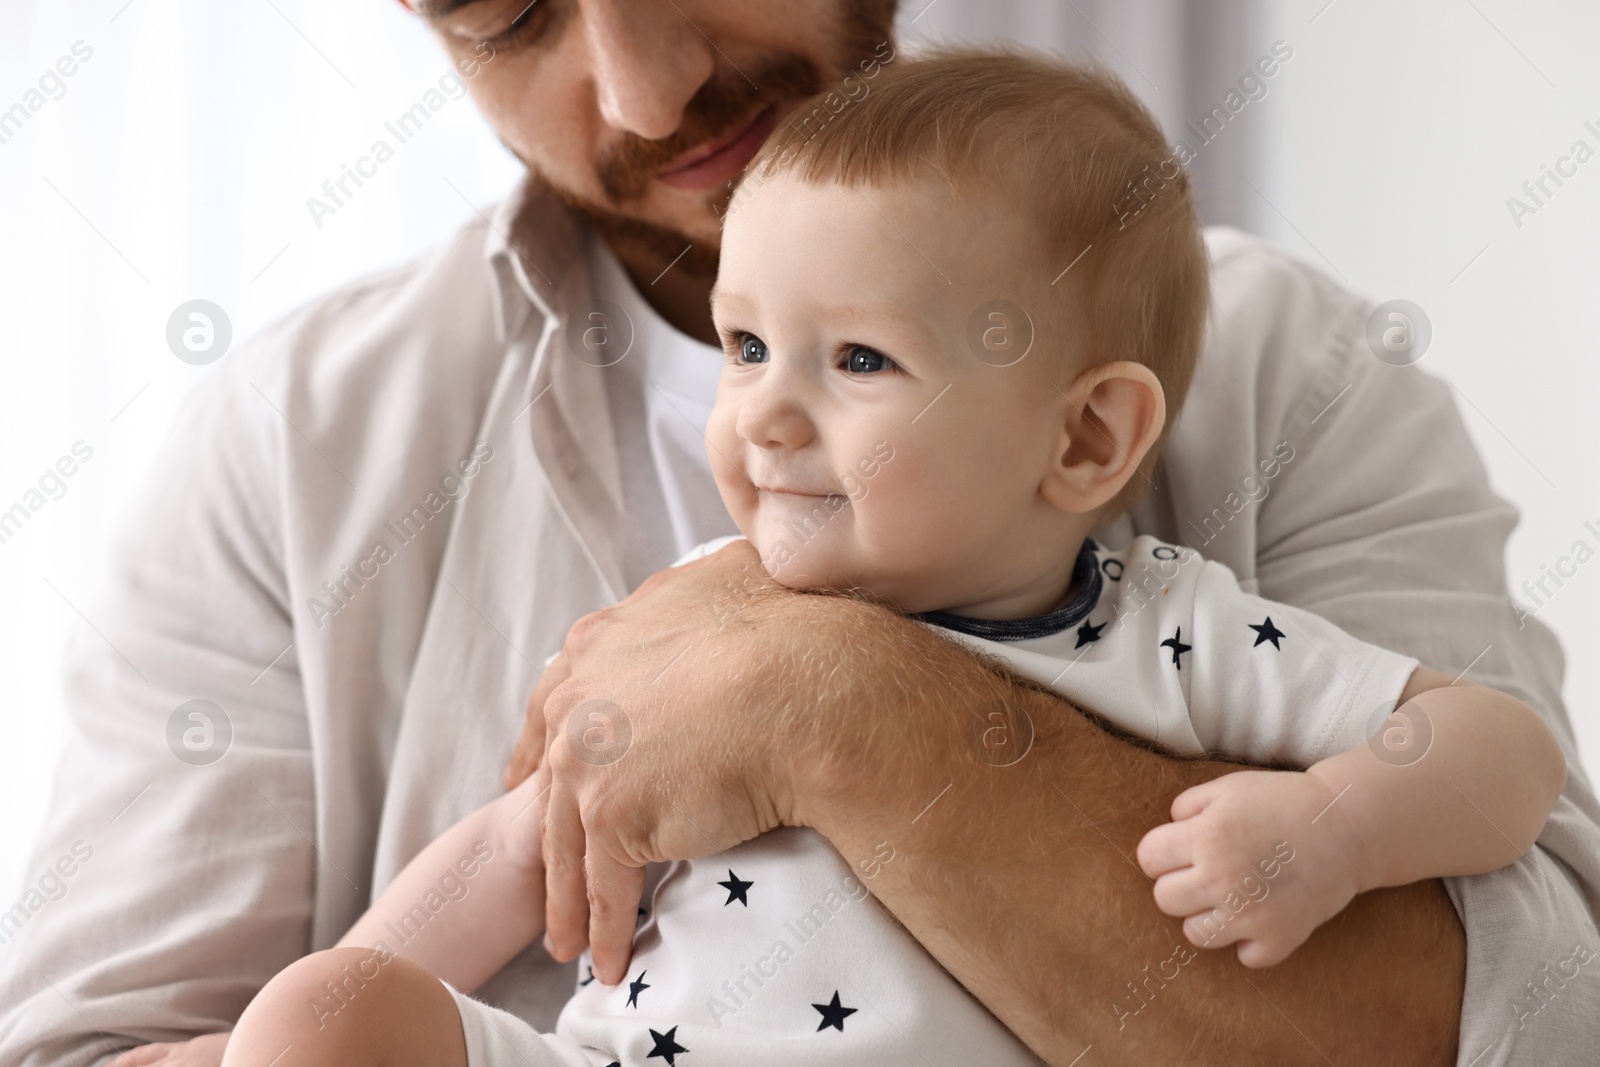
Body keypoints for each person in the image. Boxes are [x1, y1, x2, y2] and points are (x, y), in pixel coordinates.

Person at [0, 3, 1594, 1065]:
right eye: (507, 10)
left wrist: (830, 702)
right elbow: (99, 1040)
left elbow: (1544, 1008)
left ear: (1092, 435)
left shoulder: (1266, 405)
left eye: (858, 365)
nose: (647, 86)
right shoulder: (291, 441)